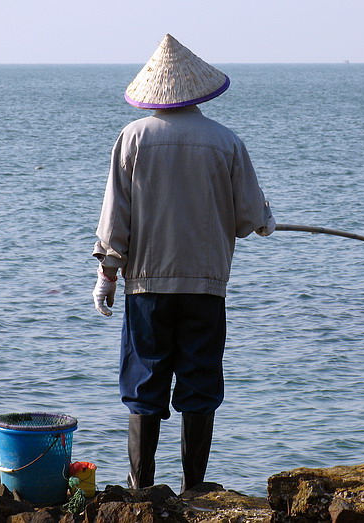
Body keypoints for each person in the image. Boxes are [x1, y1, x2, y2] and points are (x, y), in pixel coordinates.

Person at [91, 34, 275, 492]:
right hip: (205, 286)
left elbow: (117, 216)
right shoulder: (225, 141)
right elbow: (251, 216)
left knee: (144, 384)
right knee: (200, 382)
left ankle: (141, 492)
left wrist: (107, 275)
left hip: (146, 286)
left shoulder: (133, 138)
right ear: (197, 91)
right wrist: (266, 221)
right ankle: (195, 489)